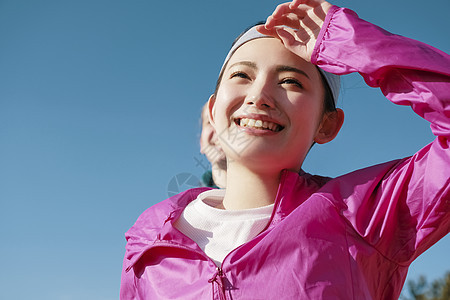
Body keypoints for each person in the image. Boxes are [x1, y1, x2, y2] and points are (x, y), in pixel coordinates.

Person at [120, 0, 449, 299]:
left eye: (291, 81)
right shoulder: (149, 238)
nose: (259, 95)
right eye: (241, 75)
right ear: (212, 110)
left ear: (327, 125)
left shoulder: (364, 215)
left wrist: (344, 40)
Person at [199, 103, 227, 188]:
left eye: (226, 119)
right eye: (210, 122)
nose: (217, 128)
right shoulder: (187, 200)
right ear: (201, 142)